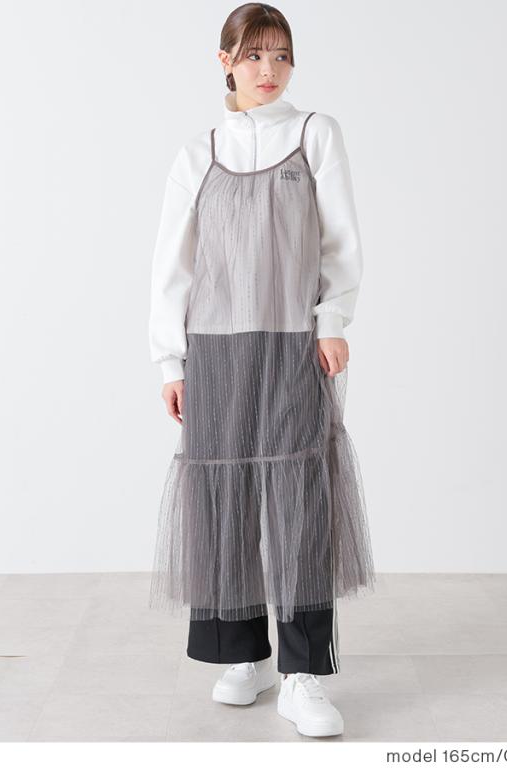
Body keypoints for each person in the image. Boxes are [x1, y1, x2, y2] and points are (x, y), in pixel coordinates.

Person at [147, 3, 375, 739]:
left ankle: (304, 674)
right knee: (223, 500)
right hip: (214, 349)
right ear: (225, 62)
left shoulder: (315, 134)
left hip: (292, 341)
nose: (268, 70)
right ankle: (243, 656)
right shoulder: (200, 151)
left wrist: (332, 321)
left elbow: (339, 240)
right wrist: (170, 360)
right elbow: (172, 265)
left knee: (301, 500)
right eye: (253, 55)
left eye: (280, 55)